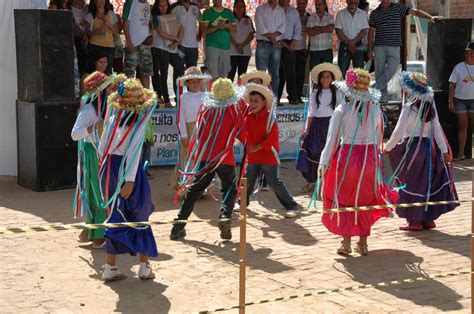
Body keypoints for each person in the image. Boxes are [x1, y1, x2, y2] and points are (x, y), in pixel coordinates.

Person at [318, 68, 398, 255]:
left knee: (345, 199)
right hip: (369, 160)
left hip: (347, 160)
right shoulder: (376, 110)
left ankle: (346, 242)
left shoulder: (341, 110)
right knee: (365, 200)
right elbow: (379, 138)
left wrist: (323, 163)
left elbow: (332, 141)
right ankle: (363, 243)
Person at [169, 78, 245, 241]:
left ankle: (178, 226)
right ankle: (225, 217)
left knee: (194, 191)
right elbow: (242, 135)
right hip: (225, 158)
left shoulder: (206, 109)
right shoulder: (234, 110)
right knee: (229, 190)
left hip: (205, 157)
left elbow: (199, 134)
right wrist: (230, 143)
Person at [99, 78, 158, 281]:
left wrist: (106, 170)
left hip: (110, 170)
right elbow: (133, 153)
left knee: (115, 215)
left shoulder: (112, 120)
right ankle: (144, 266)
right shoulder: (137, 124)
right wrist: (130, 181)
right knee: (138, 214)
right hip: (128, 172)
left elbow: (101, 149)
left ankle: (110, 267)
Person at [385, 72, 458, 231]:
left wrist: (388, 147)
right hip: (430, 149)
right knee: (427, 182)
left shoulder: (408, 108)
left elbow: (398, 132)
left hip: (413, 149)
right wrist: (444, 151)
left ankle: (414, 221)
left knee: (412, 183)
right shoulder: (430, 107)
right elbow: (437, 128)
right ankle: (428, 219)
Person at [241, 84, 300, 217]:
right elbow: (243, 133)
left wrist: (257, 147)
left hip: (268, 156)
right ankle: (242, 203)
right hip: (254, 157)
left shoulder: (270, 118)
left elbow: (272, 139)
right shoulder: (248, 117)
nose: (253, 104)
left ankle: (292, 206)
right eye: (251, 101)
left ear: (264, 102)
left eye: (256, 101)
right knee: (248, 180)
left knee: (273, 182)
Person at [72, 71, 115, 248]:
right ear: (100, 91)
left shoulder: (105, 107)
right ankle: (98, 234)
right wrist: (91, 129)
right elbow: (75, 134)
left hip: (102, 152)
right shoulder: (90, 110)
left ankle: (91, 230)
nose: (112, 90)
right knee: (98, 192)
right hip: (92, 153)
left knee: (100, 191)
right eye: (108, 87)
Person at [367, 0, 441, 102]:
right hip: (379, 46)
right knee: (379, 72)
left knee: (392, 68)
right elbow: (371, 31)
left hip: (394, 46)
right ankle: (382, 97)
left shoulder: (398, 7)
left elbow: (415, 12)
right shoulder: (374, 13)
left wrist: (430, 17)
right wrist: (370, 49)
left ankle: (374, 88)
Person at [296, 63, 341, 192]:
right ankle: (312, 181)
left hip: (331, 125)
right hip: (317, 126)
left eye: (328, 77)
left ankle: (328, 182)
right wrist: (307, 129)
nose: (325, 79)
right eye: (323, 77)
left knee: (330, 153)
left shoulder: (337, 93)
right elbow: (311, 112)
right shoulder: (315, 93)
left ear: (332, 78)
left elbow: (341, 110)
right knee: (312, 152)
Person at [170, 67, 211, 191]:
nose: (196, 84)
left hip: (202, 130)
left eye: (198, 81)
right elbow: (181, 117)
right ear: (187, 83)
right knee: (187, 157)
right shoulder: (184, 97)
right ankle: (186, 188)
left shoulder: (206, 96)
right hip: (188, 130)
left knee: (201, 157)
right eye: (192, 82)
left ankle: (201, 188)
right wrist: (183, 135)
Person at [151, 0, 185, 107]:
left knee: (180, 69)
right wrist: (176, 39)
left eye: (165, 5)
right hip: (160, 48)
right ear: (157, 6)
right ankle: (166, 100)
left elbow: (181, 28)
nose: (163, 8)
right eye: (160, 6)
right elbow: (161, 33)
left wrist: (176, 42)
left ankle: (179, 97)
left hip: (172, 48)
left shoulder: (172, 16)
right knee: (164, 74)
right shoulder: (155, 18)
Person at [448, 42, 474, 161]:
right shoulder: (458, 67)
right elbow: (452, 85)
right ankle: (461, 153)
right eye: (467, 52)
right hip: (460, 100)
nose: (469, 54)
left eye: (471, 52)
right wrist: (451, 102)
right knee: (462, 127)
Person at [254, 0, 286, 95]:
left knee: (275, 74)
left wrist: (273, 37)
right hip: (263, 44)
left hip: (276, 44)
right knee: (261, 73)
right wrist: (272, 38)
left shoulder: (281, 10)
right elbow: (259, 26)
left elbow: (283, 26)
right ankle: (261, 98)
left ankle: (273, 99)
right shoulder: (260, 9)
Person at [200, 0, 237, 79]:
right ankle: (212, 90)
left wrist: (227, 26)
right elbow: (204, 30)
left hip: (225, 46)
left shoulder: (228, 12)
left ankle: (222, 90)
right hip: (212, 45)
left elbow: (235, 29)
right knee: (212, 72)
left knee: (224, 72)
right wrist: (217, 27)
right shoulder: (207, 12)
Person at [122, 0, 153, 88]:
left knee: (146, 73)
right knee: (129, 74)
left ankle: (147, 97)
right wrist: (129, 42)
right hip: (133, 44)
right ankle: (129, 98)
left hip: (145, 44)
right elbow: (125, 22)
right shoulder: (130, 2)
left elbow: (148, 23)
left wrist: (150, 35)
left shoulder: (147, 4)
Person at [334, 0, 369, 78]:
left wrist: (353, 42)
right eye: (351, 3)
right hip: (344, 45)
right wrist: (349, 43)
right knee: (341, 72)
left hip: (358, 46)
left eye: (355, 3)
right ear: (347, 1)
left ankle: (358, 90)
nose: (353, 5)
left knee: (359, 73)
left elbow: (364, 31)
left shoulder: (363, 14)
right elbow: (338, 31)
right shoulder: (340, 14)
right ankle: (341, 90)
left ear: (358, 2)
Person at [277, 0, 302, 105]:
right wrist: (279, 41)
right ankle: (276, 97)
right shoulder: (274, 9)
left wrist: (294, 42)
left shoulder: (294, 12)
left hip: (290, 43)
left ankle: (292, 97)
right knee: (277, 73)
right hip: (276, 43)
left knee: (291, 72)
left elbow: (298, 28)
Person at [85, 0, 119, 74]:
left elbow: (117, 31)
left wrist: (109, 24)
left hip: (109, 47)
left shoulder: (111, 14)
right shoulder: (90, 15)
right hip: (95, 46)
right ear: (94, 1)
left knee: (108, 71)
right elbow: (88, 33)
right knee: (93, 71)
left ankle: (107, 86)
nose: (101, 1)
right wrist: (97, 31)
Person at [227, 0, 255, 82]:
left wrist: (242, 45)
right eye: (237, 6)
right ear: (234, 7)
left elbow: (251, 34)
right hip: (231, 52)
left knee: (242, 77)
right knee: (230, 75)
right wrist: (236, 46)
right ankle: (229, 94)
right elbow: (226, 34)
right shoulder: (229, 19)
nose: (239, 8)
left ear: (244, 8)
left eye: (241, 6)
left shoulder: (248, 19)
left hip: (245, 52)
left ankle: (240, 94)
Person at [171, 0, 202, 68]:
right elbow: (168, 23)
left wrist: (200, 34)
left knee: (192, 73)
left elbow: (201, 21)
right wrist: (174, 40)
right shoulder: (174, 7)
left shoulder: (195, 6)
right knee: (179, 72)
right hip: (180, 44)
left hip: (193, 45)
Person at [306, 0, 334, 69]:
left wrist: (315, 28)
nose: (317, 7)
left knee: (327, 72)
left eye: (319, 4)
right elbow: (310, 32)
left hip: (327, 50)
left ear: (324, 5)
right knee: (315, 74)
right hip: (314, 51)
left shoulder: (330, 17)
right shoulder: (311, 18)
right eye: (316, 5)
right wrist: (325, 29)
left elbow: (330, 29)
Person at [294, 0, 311, 103]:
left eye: (303, 3)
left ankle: (299, 96)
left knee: (300, 75)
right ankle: (292, 96)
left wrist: (308, 50)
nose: (301, 5)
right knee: (291, 74)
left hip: (302, 49)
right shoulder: (291, 13)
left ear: (306, 3)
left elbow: (310, 35)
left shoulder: (309, 16)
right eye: (299, 3)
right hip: (290, 49)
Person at [71, 0, 89, 76]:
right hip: (76, 39)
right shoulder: (70, 9)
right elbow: (73, 26)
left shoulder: (88, 8)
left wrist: (86, 35)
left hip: (88, 39)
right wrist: (83, 35)